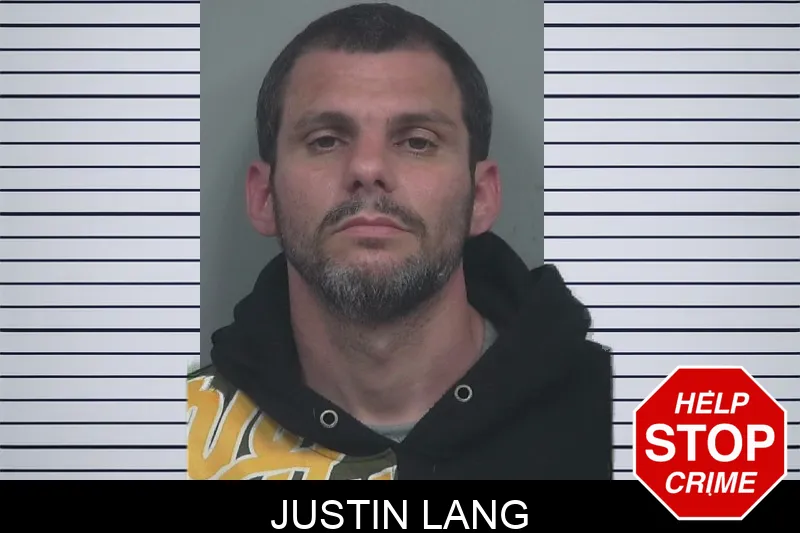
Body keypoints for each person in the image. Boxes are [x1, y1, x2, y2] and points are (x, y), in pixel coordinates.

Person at [188, 2, 613, 480]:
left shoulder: (634, 427)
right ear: (264, 197)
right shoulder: (169, 443)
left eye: (417, 141)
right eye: (326, 140)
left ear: (481, 197)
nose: (368, 168)